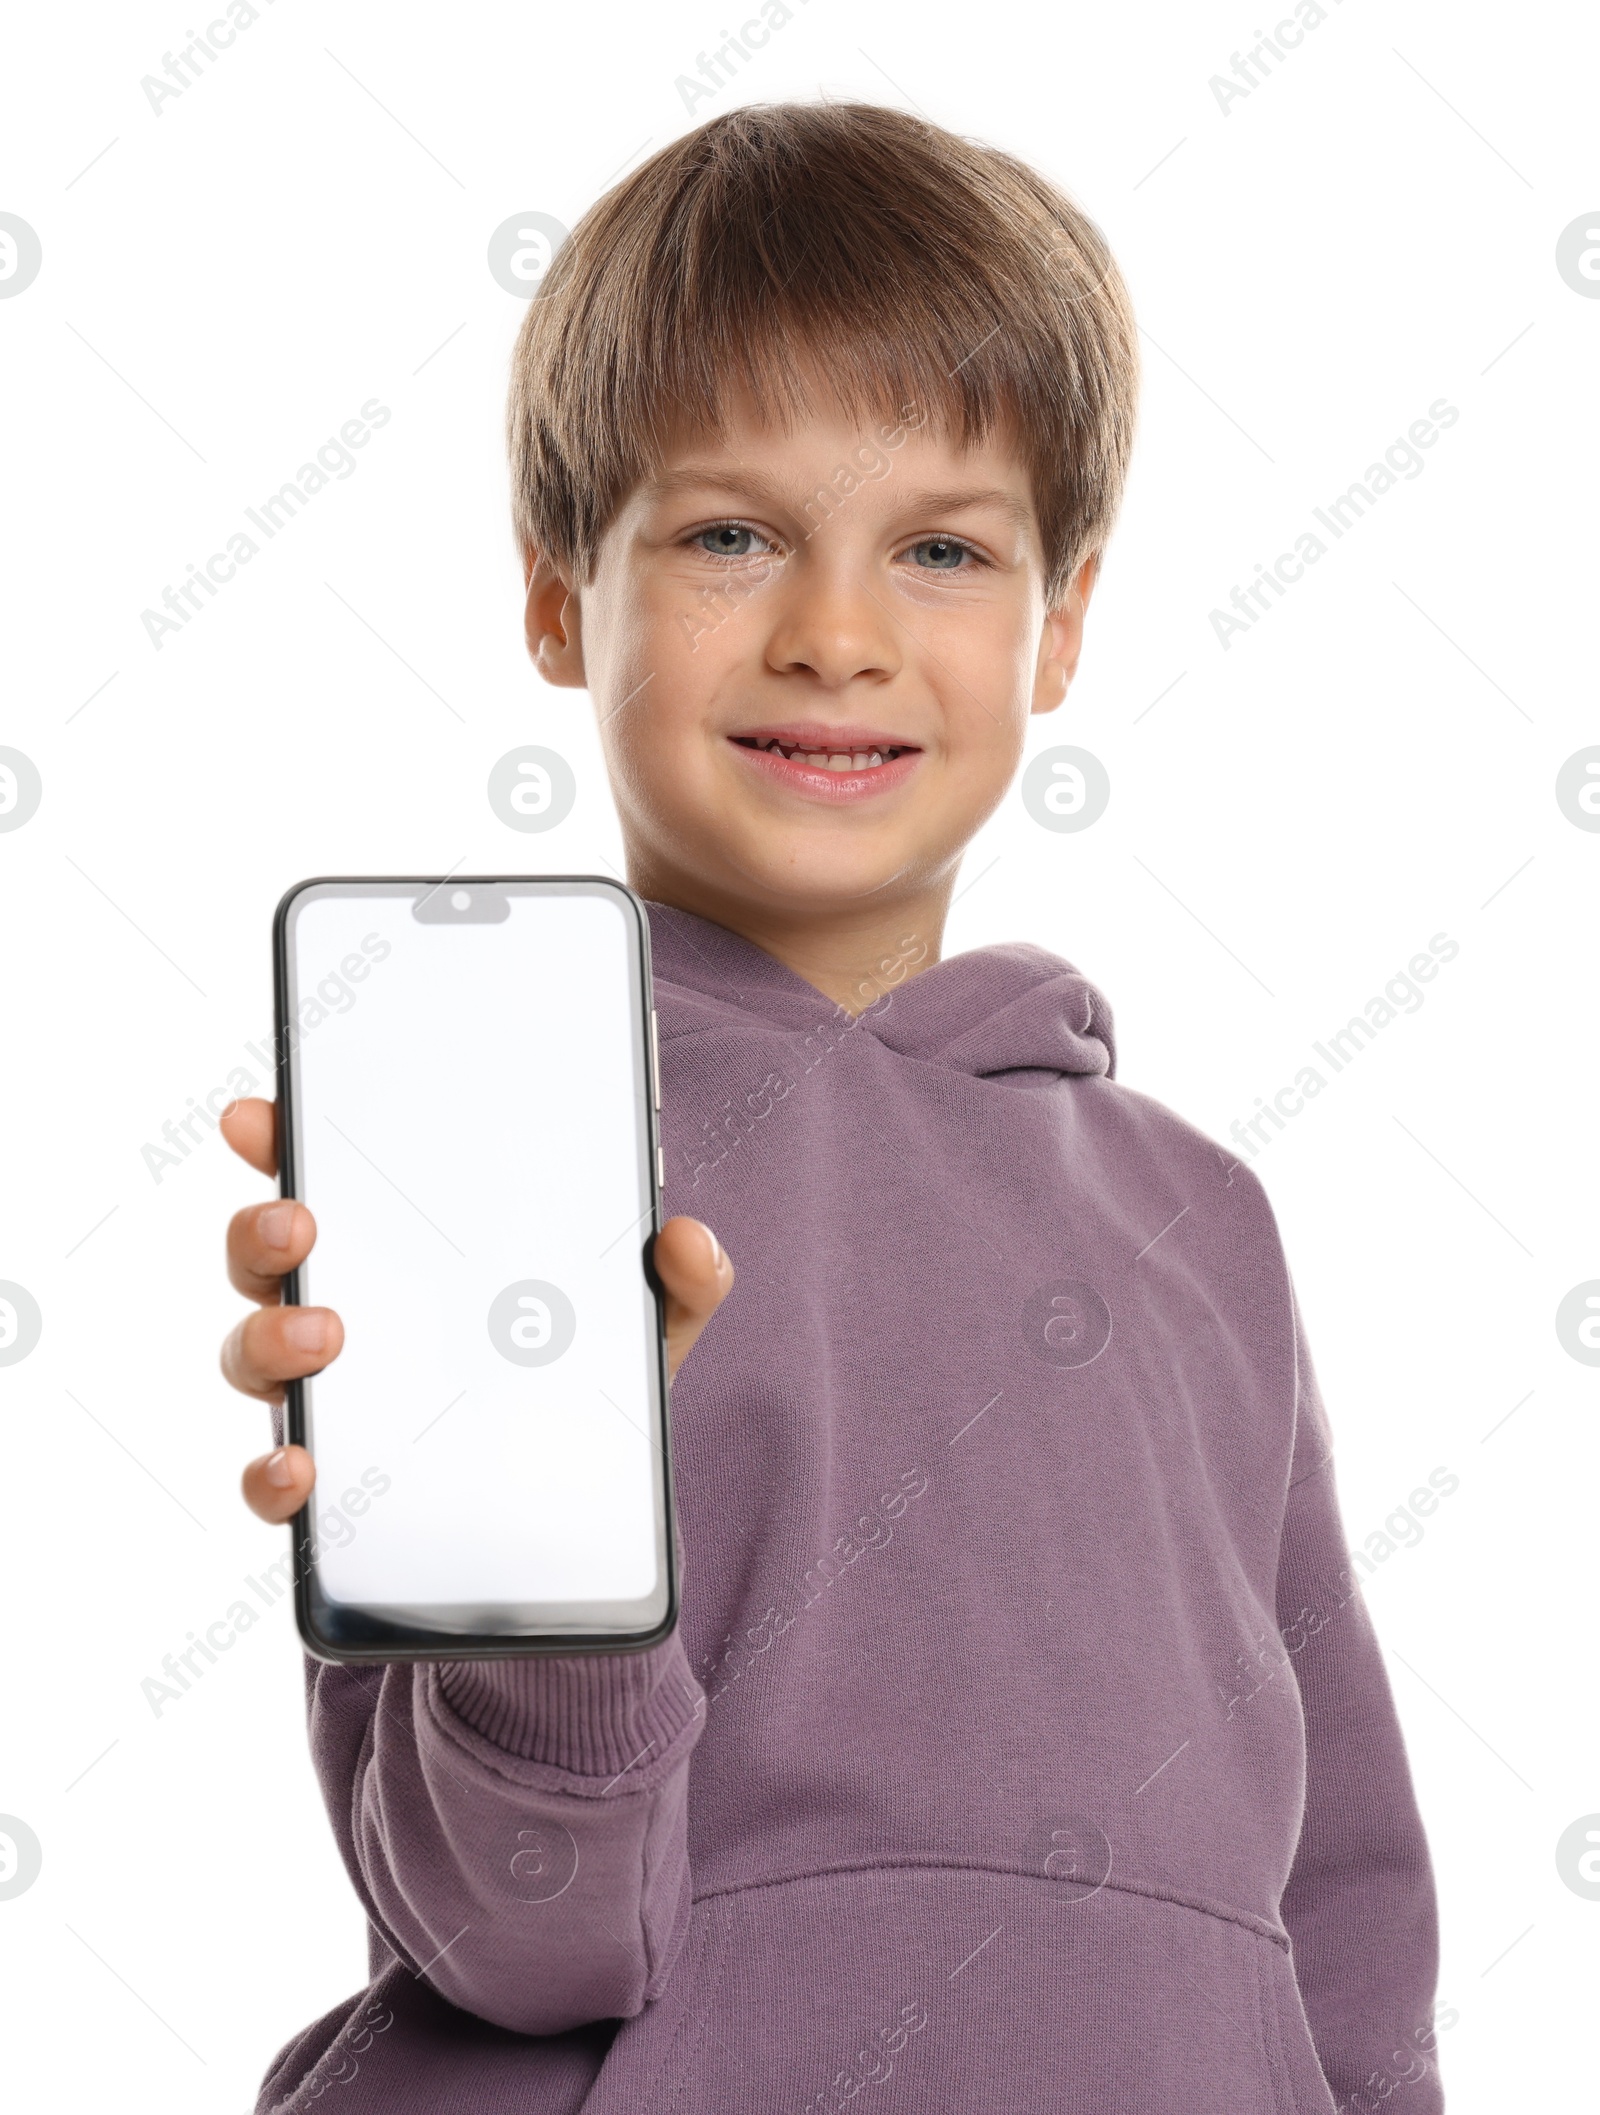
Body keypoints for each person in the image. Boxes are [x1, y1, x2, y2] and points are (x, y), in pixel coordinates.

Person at [220, 100, 1446, 2114]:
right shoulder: (483, 1157)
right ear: (555, 595)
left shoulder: (1195, 1215)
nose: (835, 631)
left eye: (942, 548)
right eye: (725, 533)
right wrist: (540, 1569)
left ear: (1056, 623)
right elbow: (524, 1936)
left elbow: (1345, 1904)